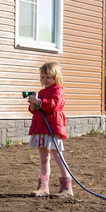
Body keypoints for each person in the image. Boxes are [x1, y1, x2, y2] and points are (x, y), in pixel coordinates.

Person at [27, 62, 74, 198]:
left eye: (48, 77)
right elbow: (38, 111)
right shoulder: (41, 92)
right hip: (41, 129)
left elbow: (53, 106)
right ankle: (43, 187)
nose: (45, 80)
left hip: (52, 129)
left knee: (58, 157)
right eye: (42, 77)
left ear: (56, 76)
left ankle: (67, 188)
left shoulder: (58, 91)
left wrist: (38, 102)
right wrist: (33, 105)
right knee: (43, 158)